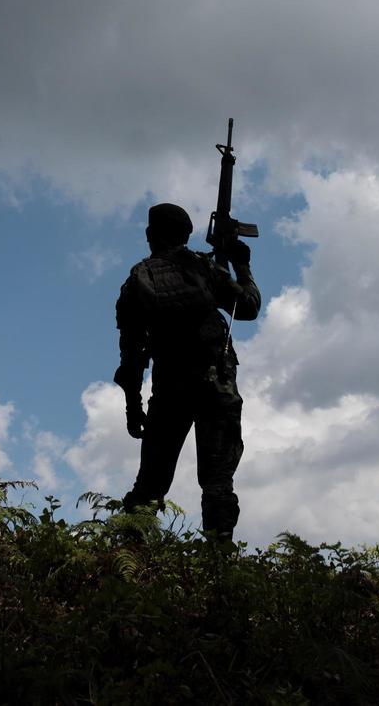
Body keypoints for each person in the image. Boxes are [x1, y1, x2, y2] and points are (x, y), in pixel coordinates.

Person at [113, 202, 261, 541]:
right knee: (218, 482)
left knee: (149, 485)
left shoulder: (138, 280)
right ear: (187, 234)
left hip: (170, 391)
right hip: (216, 387)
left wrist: (132, 407)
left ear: (150, 235)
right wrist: (242, 264)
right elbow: (249, 307)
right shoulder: (205, 269)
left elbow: (131, 356)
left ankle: (128, 560)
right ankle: (219, 559)